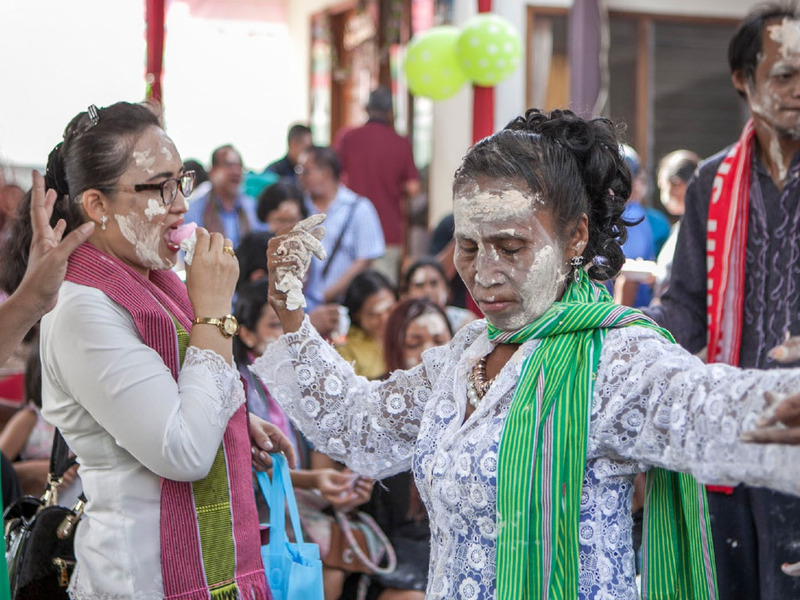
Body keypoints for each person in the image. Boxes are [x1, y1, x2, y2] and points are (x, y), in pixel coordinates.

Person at [253, 107, 800, 600]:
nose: (485, 274)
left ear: (576, 236)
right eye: (468, 247)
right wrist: (290, 309)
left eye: (511, 247)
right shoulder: (463, 353)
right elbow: (360, 425)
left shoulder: (614, 357)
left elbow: (715, 407)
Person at [0, 102, 296, 599]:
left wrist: (231, 421)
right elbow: (183, 452)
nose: (181, 203)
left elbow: (175, 397)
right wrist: (214, 315)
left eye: (181, 180)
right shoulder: (83, 308)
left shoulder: (157, 282)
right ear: (97, 206)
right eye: (159, 187)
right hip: (142, 579)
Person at [644, 5, 800, 597]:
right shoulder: (712, 181)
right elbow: (683, 302)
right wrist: (622, 338)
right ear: (744, 79)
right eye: (784, 75)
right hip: (733, 429)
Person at [336, 87, 420, 285]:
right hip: (387, 231)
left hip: (350, 228)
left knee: (351, 292)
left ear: (366, 109)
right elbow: (413, 188)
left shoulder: (348, 138)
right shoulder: (400, 143)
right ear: (391, 112)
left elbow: (335, 176)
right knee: (382, 291)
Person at [295, 145, 385, 311]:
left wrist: (323, 296)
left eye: (305, 171)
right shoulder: (297, 206)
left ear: (326, 173)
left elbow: (364, 260)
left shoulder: (358, 207)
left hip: (344, 304)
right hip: (300, 305)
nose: (300, 177)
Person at [0, 339, 82, 504]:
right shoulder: (30, 419)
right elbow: (2, 468)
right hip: (40, 514)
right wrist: (33, 470)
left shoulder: (85, 417)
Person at [184, 144, 264, 248]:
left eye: (239, 166)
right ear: (212, 171)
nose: (235, 172)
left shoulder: (252, 207)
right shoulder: (193, 211)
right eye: (229, 165)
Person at [650, 149, 700, 303]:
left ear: (677, 184)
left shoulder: (696, 227)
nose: (663, 195)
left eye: (663, 187)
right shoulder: (684, 224)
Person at [336, 270, 396, 380]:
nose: (385, 319)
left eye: (389, 309)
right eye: (373, 314)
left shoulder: (407, 333)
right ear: (356, 314)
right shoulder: (345, 347)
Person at [402, 257, 478, 333]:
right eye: (419, 285)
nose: (427, 291)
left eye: (434, 283)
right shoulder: (400, 324)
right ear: (406, 294)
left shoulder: (465, 322)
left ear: (447, 290)